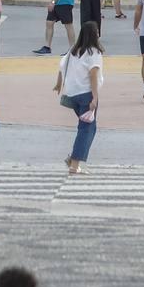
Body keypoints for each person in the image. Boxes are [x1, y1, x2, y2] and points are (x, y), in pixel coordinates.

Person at [56, 21, 103, 175]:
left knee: (89, 127)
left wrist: (58, 84)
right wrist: (95, 98)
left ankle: (74, 158)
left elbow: (61, 66)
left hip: (72, 93)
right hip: (86, 94)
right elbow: (93, 74)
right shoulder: (94, 52)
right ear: (94, 34)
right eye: (97, 31)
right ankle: (74, 164)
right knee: (86, 129)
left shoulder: (73, 51)